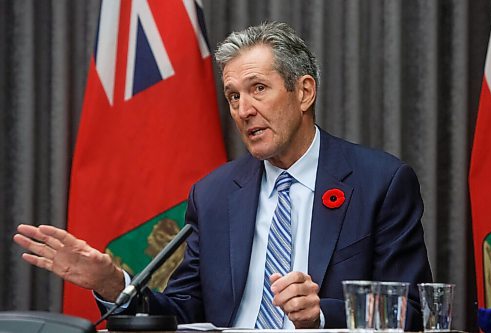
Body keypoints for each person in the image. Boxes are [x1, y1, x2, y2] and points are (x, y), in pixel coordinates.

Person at [14, 22, 432, 330]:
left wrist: (322, 312)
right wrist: (112, 282)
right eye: (233, 95)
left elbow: (415, 312)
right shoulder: (214, 195)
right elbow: (182, 311)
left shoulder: (380, 182)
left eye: (258, 89)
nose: (243, 109)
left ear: (304, 92)